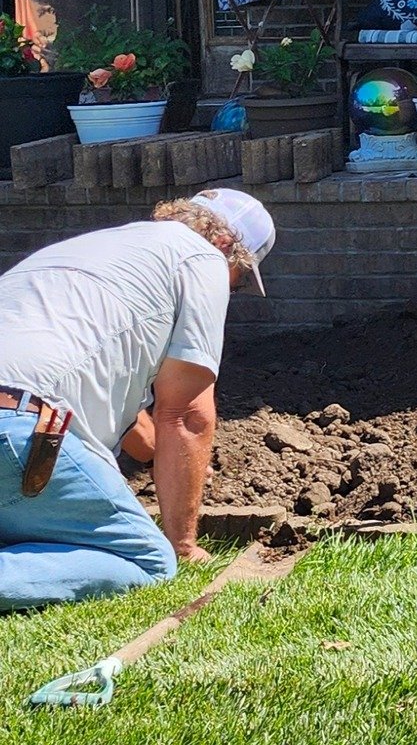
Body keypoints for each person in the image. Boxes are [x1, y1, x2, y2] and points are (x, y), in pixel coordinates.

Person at [0, 188, 275, 611]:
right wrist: (182, 543)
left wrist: (160, 462)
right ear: (226, 247)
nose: (230, 290)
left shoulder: (96, 247)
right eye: (237, 282)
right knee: (147, 561)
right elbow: (183, 414)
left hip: (16, 414)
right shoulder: (203, 260)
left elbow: (123, 411)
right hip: (19, 425)